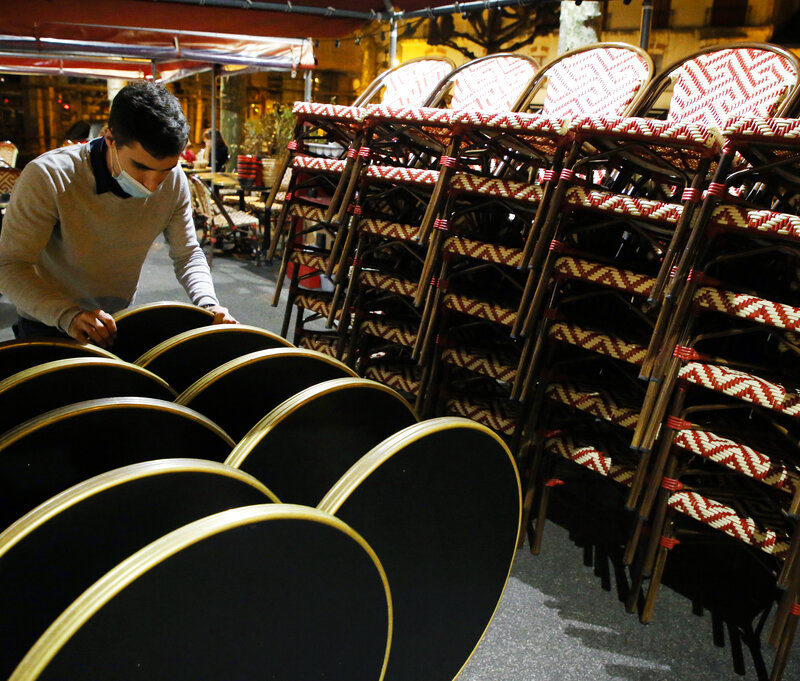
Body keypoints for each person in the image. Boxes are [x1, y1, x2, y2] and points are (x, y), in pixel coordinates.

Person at [0, 81, 236, 348]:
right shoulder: (49, 176)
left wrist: (208, 304)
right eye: (141, 167)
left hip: (118, 319)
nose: (152, 185)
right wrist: (67, 315)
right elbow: (10, 265)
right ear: (110, 139)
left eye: (165, 171)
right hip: (48, 321)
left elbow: (188, 254)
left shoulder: (175, 180)